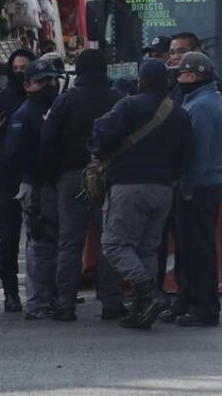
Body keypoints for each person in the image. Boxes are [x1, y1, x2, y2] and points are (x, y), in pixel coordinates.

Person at [92, 60, 195, 329]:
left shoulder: (128, 106)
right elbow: (187, 155)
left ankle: (147, 291)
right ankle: (142, 309)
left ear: (141, 80)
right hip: (163, 189)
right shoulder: (179, 113)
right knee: (148, 248)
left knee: (114, 245)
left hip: (128, 185)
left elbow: (101, 137)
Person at [42, 49, 126, 322]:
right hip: (107, 175)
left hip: (71, 176)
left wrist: (55, 176)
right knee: (108, 240)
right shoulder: (116, 99)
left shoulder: (65, 101)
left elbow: (49, 141)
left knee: (70, 242)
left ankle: (66, 303)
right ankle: (111, 301)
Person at [165, 51, 222, 327]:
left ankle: (203, 307)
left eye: (181, 74)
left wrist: (188, 185)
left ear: (193, 76)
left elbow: (198, 153)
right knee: (189, 248)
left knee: (198, 249)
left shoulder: (201, 106)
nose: (178, 79)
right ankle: (187, 299)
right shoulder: (205, 99)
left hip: (200, 187)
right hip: (202, 184)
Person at [5, 58, 63, 321]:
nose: (49, 85)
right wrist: (43, 168)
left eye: (51, 80)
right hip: (38, 187)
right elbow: (15, 154)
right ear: (28, 84)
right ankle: (38, 301)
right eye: (42, 81)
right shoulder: (25, 114)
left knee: (55, 246)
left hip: (54, 185)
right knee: (40, 245)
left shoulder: (56, 109)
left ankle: (50, 296)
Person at [0, 48, 37, 312]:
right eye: (15, 69)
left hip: (38, 177)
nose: (19, 73)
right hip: (8, 179)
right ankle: (11, 293)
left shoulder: (43, 99)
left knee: (42, 237)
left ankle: (44, 291)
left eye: (24, 69)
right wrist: (0, 162)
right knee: (8, 240)